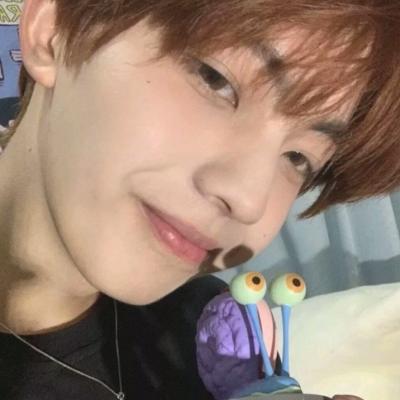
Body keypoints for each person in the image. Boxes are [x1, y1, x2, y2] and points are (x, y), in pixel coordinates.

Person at [0, 0, 399, 399]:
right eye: (216, 79)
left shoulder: (213, 336)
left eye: (299, 158)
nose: (249, 200)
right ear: (52, 31)